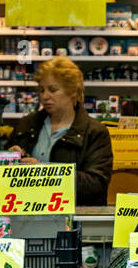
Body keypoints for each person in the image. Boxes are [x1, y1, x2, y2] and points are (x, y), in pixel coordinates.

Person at [7, 56, 114, 206]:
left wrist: (42, 173)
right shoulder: (26, 125)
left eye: (53, 90)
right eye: (41, 90)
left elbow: (96, 184)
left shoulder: (94, 132)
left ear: (72, 91)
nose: (45, 96)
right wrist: (8, 159)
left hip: (75, 220)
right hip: (26, 216)